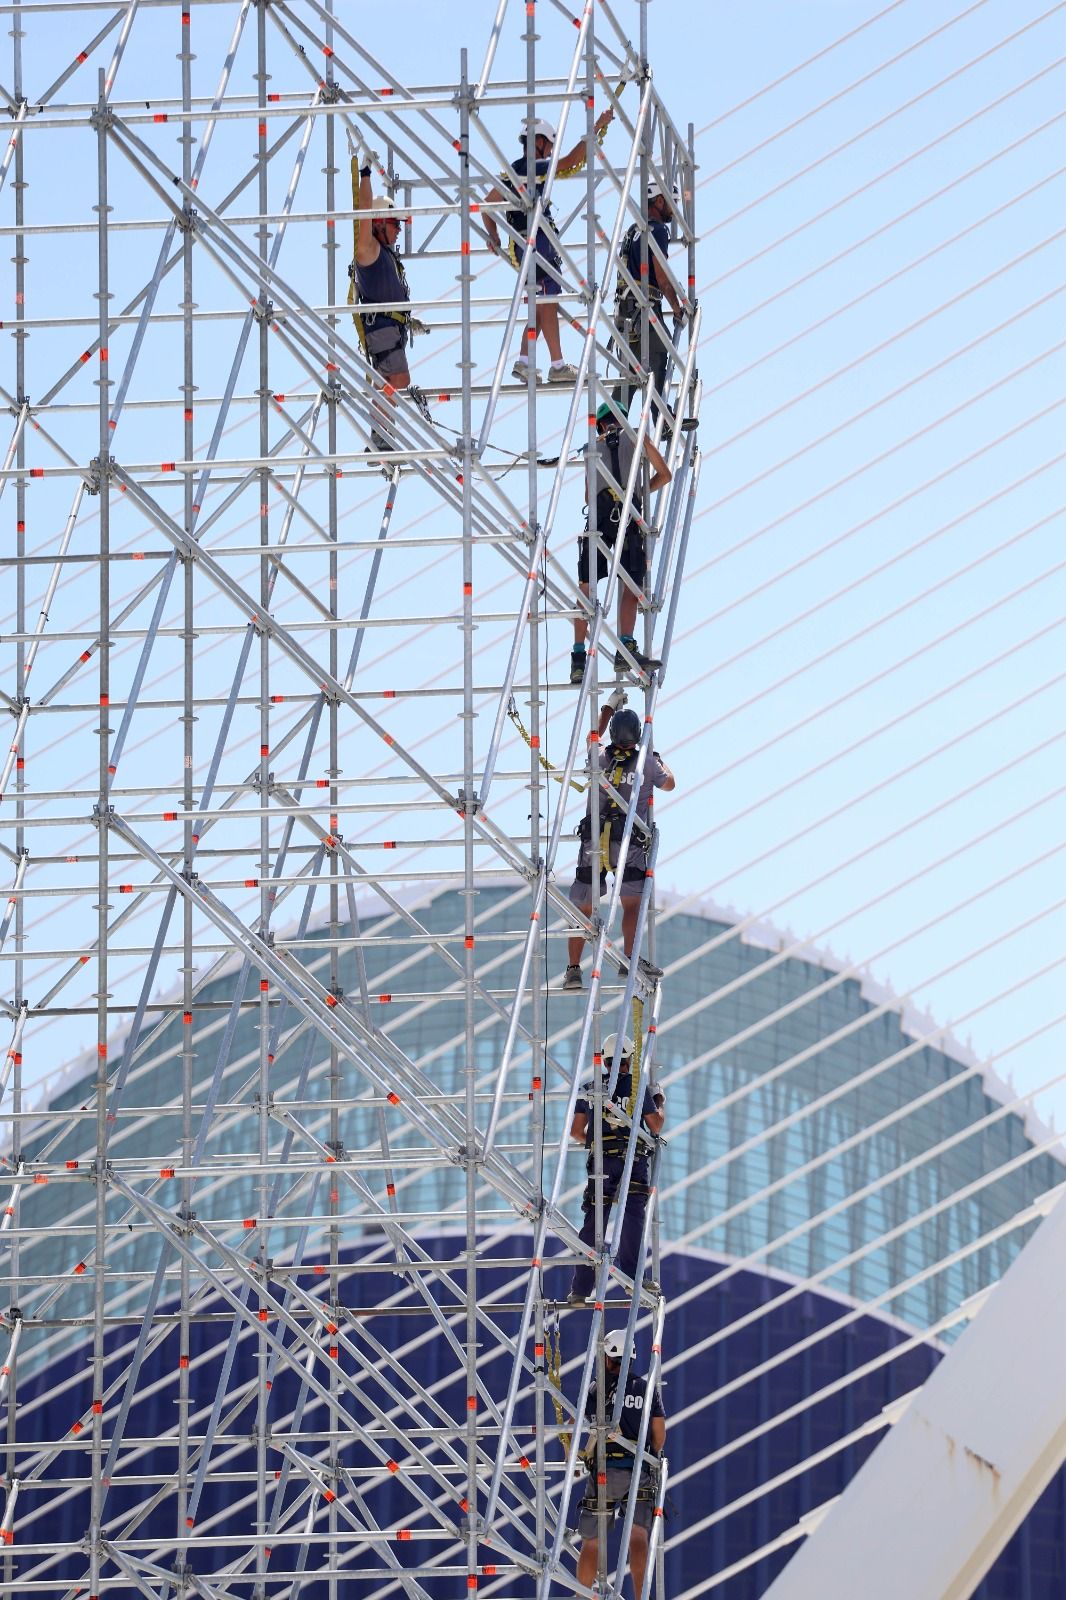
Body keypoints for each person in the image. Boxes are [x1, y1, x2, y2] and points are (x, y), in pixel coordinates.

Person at [483, 110, 613, 385]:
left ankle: (524, 360)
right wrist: (597, 127)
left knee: (541, 304)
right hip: (536, 242)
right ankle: (557, 365)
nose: (551, 151)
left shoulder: (513, 171)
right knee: (548, 300)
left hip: (524, 245)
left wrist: (493, 234)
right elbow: (570, 161)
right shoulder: (532, 167)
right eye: (549, 145)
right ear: (540, 142)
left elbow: (487, 204)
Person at [562, 695, 675, 993]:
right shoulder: (646, 763)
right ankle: (629, 960)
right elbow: (670, 783)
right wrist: (659, 760)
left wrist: (608, 707)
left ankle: (573, 970)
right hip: (628, 842)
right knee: (632, 904)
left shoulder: (598, 755)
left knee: (583, 906)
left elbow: (592, 736)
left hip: (594, 841)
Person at [570, 401, 671, 687]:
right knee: (630, 586)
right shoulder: (638, 437)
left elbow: (589, 496)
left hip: (601, 519)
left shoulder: (592, 448)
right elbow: (665, 474)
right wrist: (639, 490)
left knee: (587, 588)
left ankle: (578, 658)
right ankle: (625, 648)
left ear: (600, 423)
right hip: (630, 516)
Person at [569, 1032, 665, 1304]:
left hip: (602, 1162)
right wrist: (659, 1101)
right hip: (632, 1161)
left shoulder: (590, 1089)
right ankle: (631, 1280)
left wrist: (598, 1139)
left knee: (594, 1221)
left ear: (606, 1061)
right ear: (629, 1059)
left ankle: (580, 1289)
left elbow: (577, 1131)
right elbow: (656, 1126)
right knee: (632, 1216)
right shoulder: (635, 1086)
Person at [576, 1328, 666, 1599]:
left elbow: (577, 1425)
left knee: (592, 1541)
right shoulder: (645, 1389)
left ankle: (582, 1595)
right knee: (638, 1536)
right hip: (639, 1472)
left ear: (606, 1357)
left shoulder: (596, 1388)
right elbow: (659, 1437)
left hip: (605, 1470)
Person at [348, 144, 414, 453]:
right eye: (394, 224)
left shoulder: (385, 254)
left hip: (390, 328)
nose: (399, 230)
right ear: (378, 222)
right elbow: (361, 213)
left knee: (395, 379)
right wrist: (364, 174)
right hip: (383, 330)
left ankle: (383, 434)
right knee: (396, 379)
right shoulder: (368, 249)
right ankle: (380, 436)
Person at [613, 178, 690, 430]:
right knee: (657, 356)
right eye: (671, 203)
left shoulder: (634, 230)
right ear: (658, 201)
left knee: (632, 370)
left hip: (627, 310)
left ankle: (611, 423)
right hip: (643, 306)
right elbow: (660, 273)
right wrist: (677, 306)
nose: (674, 209)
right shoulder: (657, 230)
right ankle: (660, 418)